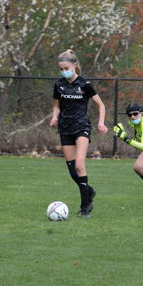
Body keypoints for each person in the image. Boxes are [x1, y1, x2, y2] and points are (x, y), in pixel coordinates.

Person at [50, 49, 108, 218]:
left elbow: (101, 105)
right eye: (61, 69)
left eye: (66, 68)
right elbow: (56, 105)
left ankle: (85, 207)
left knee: (79, 165)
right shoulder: (59, 85)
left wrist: (101, 122)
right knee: (72, 171)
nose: (63, 71)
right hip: (65, 128)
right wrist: (54, 116)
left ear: (74, 65)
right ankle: (89, 190)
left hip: (81, 127)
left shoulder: (85, 84)